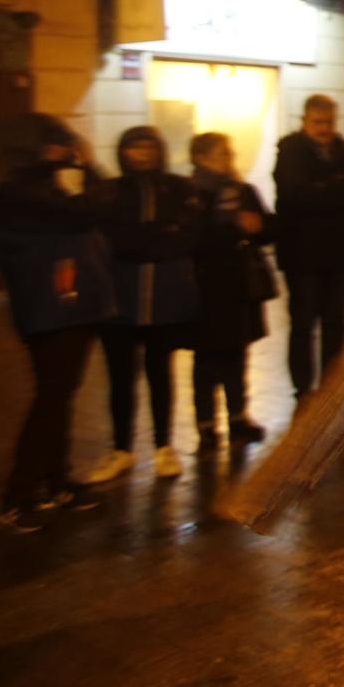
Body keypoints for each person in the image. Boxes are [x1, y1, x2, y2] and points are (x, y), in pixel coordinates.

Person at [0, 115, 112, 531]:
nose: (67, 150)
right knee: (51, 394)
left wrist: (79, 172)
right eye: (59, 143)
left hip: (73, 302)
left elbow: (94, 209)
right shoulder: (18, 192)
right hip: (47, 304)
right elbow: (87, 209)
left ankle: (56, 480)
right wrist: (86, 168)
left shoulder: (53, 184)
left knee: (60, 393)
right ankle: (19, 493)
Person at [88, 127, 203, 482]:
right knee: (120, 378)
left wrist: (152, 239)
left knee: (160, 374)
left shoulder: (178, 188)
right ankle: (121, 448)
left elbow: (189, 235)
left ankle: (164, 446)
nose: (142, 154)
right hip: (119, 302)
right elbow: (113, 240)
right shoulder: (110, 192)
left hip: (164, 300)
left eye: (148, 147)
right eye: (134, 148)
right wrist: (158, 235)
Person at [275, 94, 344, 398]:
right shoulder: (292, 150)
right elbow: (296, 195)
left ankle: (332, 382)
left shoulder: (342, 150)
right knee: (304, 321)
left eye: (329, 122)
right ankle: (303, 386)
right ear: (305, 120)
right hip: (302, 254)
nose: (324, 128)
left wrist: (326, 185)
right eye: (318, 122)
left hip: (338, 251)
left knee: (335, 320)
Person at [186, 132, 272, 449]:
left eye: (229, 153)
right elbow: (192, 238)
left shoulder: (243, 191)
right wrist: (233, 227)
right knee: (207, 359)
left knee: (238, 353)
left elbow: (267, 228)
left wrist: (258, 227)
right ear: (202, 158)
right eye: (223, 154)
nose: (230, 159)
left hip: (240, 286)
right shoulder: (192, 193)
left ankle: (238, 417)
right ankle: (206, 424)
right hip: (205, 287)